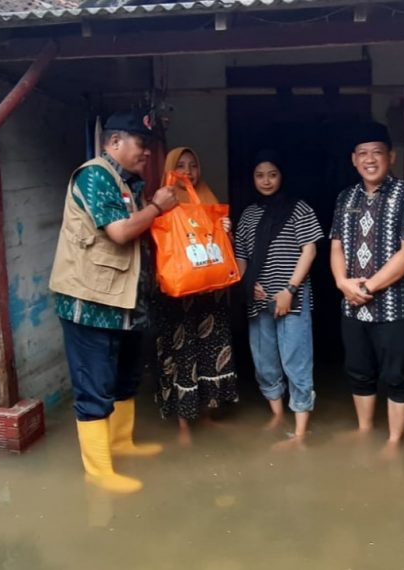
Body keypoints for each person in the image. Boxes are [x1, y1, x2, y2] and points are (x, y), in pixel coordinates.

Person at [48, 110, 179, 494]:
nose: (148, 155)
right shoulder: (95, 176)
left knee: (125, 378)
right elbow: (120, 232)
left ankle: (122, 443)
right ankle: (98, 470)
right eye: (142, 145)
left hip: (123, 301)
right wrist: (157, 207)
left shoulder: (126, 183)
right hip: (90, 301)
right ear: (115, 142)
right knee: (94, 384)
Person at [329, 122, 404, 452]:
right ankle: (364, 429)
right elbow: (336, 247)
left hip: (395, 306)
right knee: (358, 370)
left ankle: (393, 441)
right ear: (353, 159)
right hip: (351, 304)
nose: (369, 159)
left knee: (396, 375)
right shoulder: (346, 197)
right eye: (362, 154)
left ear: (391, 156)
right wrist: (342, 282)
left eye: (377, 153)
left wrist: (366, 288)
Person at [234, 151, 324, 450]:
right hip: (259, 299)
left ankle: (299, 431)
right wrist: (249, 285)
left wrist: (290, 289)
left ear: (281, 175)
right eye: (260, 175)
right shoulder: (248, 214)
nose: (266, 180)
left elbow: (309, 251)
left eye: (272, 174)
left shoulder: (299, 209)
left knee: (296, 361)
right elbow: (241, 256)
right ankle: (277, 415)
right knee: (265, 361)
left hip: (292, 298)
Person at [151, 147, 239, 446]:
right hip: (179, 295)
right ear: (170, 168)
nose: (188, 172)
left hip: (210, 293)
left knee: (210, 353)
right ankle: (183, 426)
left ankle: (207, 416)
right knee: (182, 354)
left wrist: (225, 230)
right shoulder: (160, 201)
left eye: (193, 166)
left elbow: (218, 250)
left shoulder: (207, 197)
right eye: (181, 166)